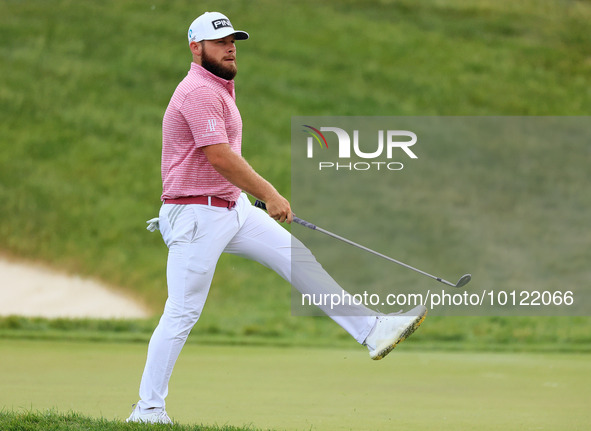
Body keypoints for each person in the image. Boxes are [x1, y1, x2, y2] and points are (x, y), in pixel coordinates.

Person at [126, 11, 427, 425]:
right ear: (196, 48)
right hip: (196, 214)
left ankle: (370, 330)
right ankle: (148, 410)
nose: (230, 47)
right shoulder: (197, 91)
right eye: (220, 42)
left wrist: (250, 200)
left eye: (233, 40)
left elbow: (220, 161)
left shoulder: (220, 87)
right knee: (181, 313)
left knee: (295, 257)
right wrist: (267, 193)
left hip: (230, 209)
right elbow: (219, 156)